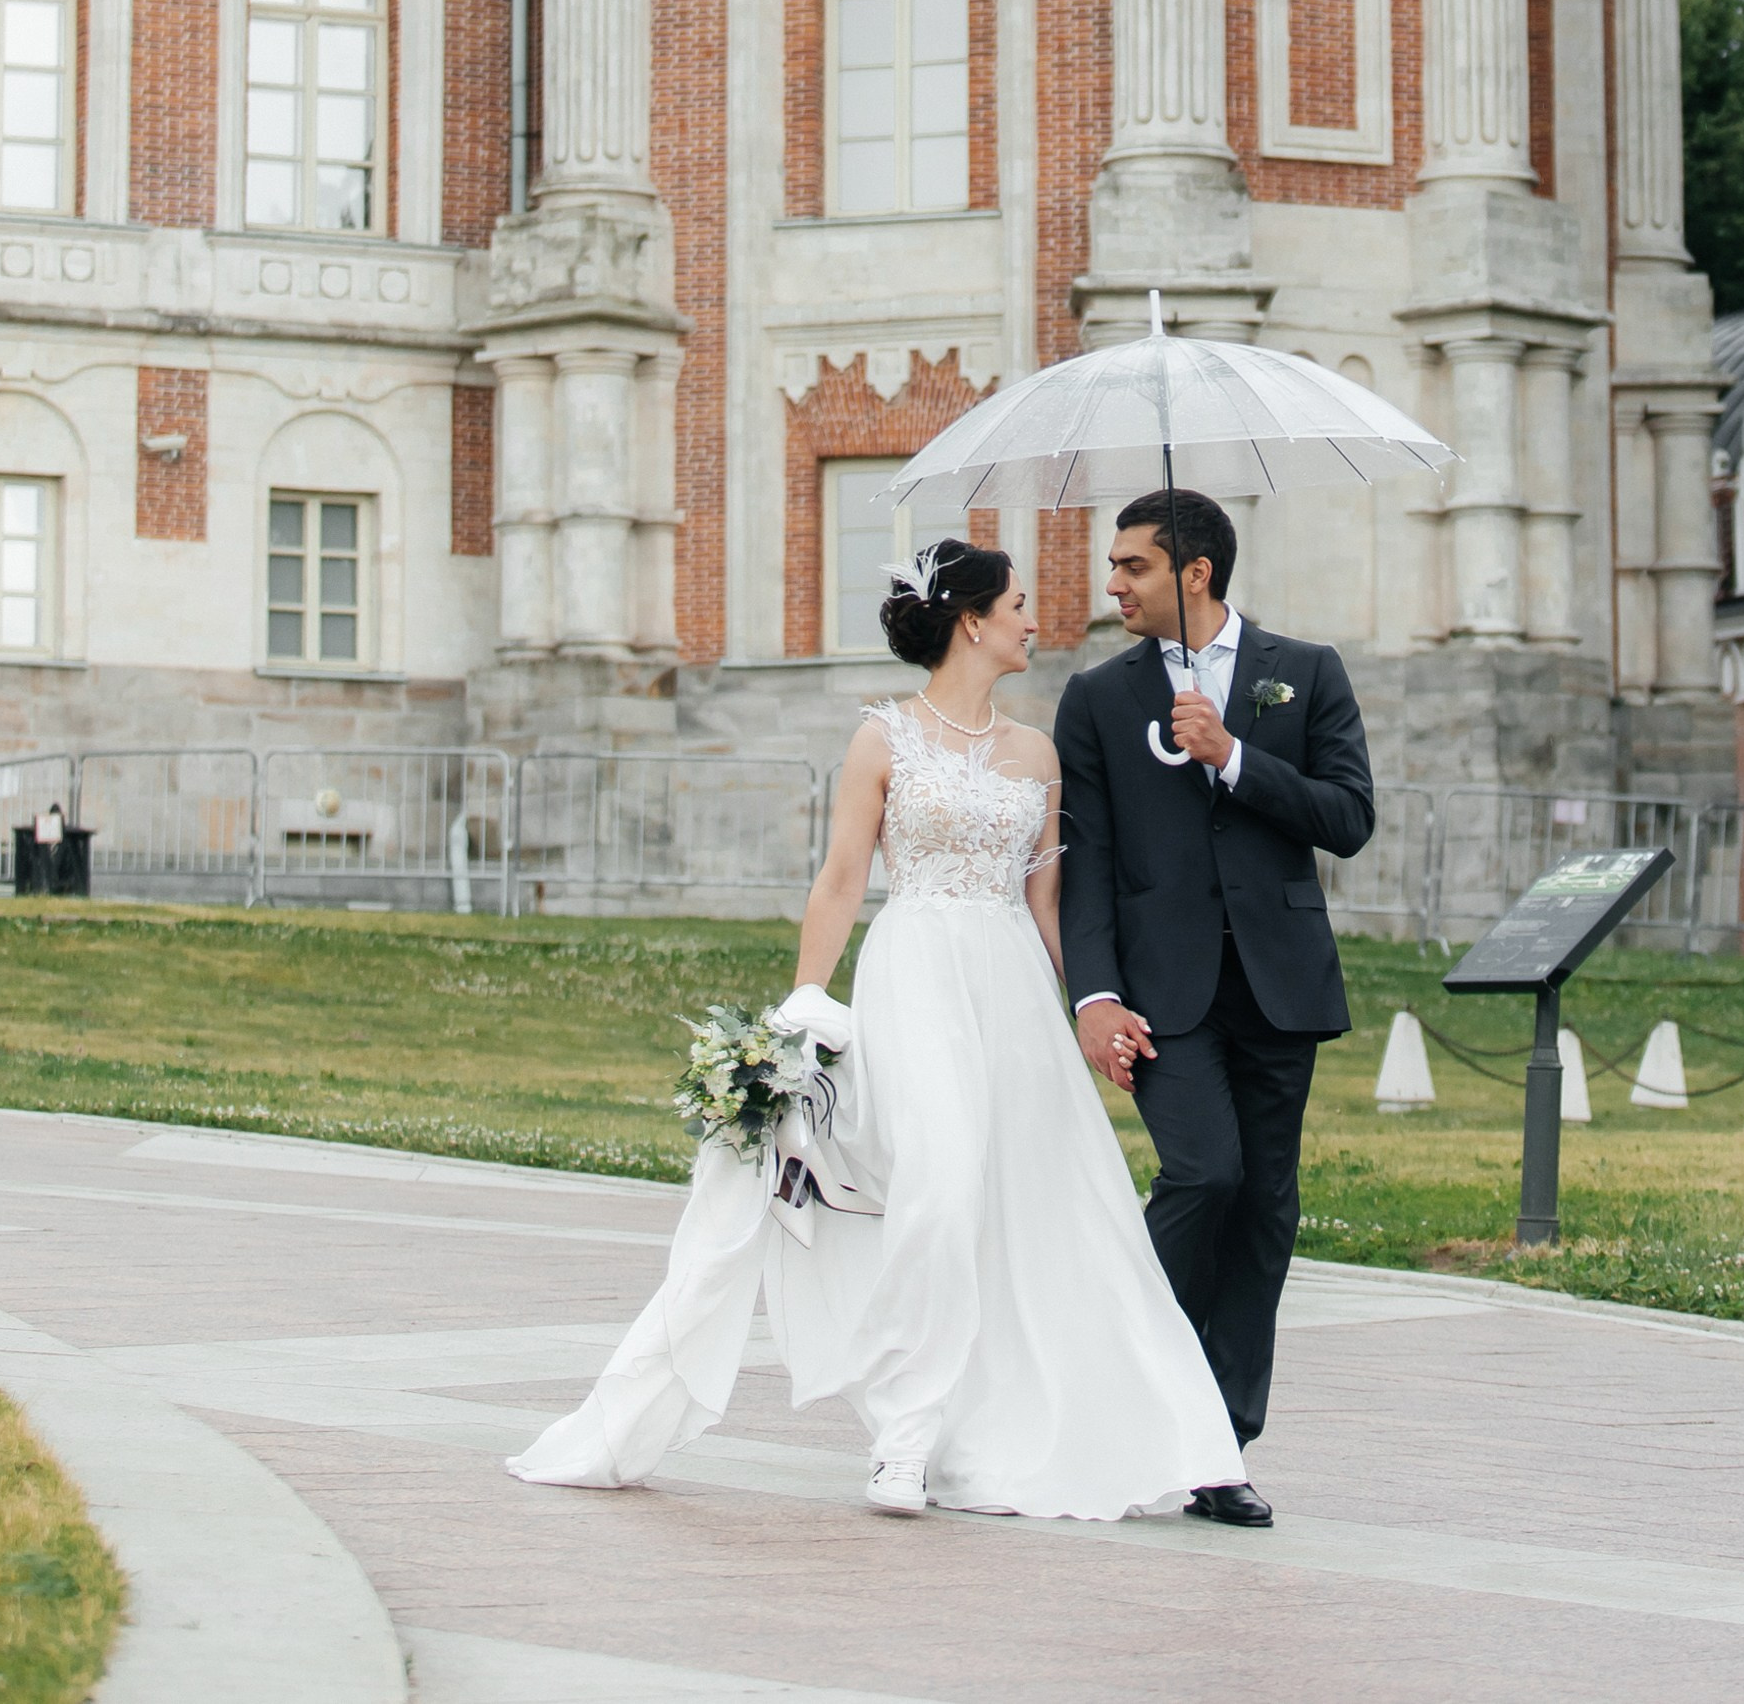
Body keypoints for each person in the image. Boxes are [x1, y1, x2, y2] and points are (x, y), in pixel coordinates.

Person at [509, 536, 1240, 1523]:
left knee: (1046, 1205)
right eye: (1019, 603)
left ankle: (1154, 1433)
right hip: (918, 969)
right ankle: (902, 1437)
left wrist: (1085, 1007)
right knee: (936, 1191)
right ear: (971, 619)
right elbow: (842, 878)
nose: (1035, 619)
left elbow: (1047, 900)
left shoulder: (1037, 752)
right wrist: (802, 1008)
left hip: (1011, 989)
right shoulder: (881, 737)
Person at [1053, 490, 1376, 1531]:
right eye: (1113, 565)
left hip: (1280, 985)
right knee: (1204, 1173)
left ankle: (1216, 1445)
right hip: (1161, 994)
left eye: (1132, 566)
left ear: (1195, 571)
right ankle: (1109, 1366)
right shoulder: (1096, 697)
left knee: (1264, 1212)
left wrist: (1232, 757)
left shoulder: (1307, 669)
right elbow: (1087, 860)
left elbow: (1347, 817)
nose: (1114, 584)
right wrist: (1093, 994)